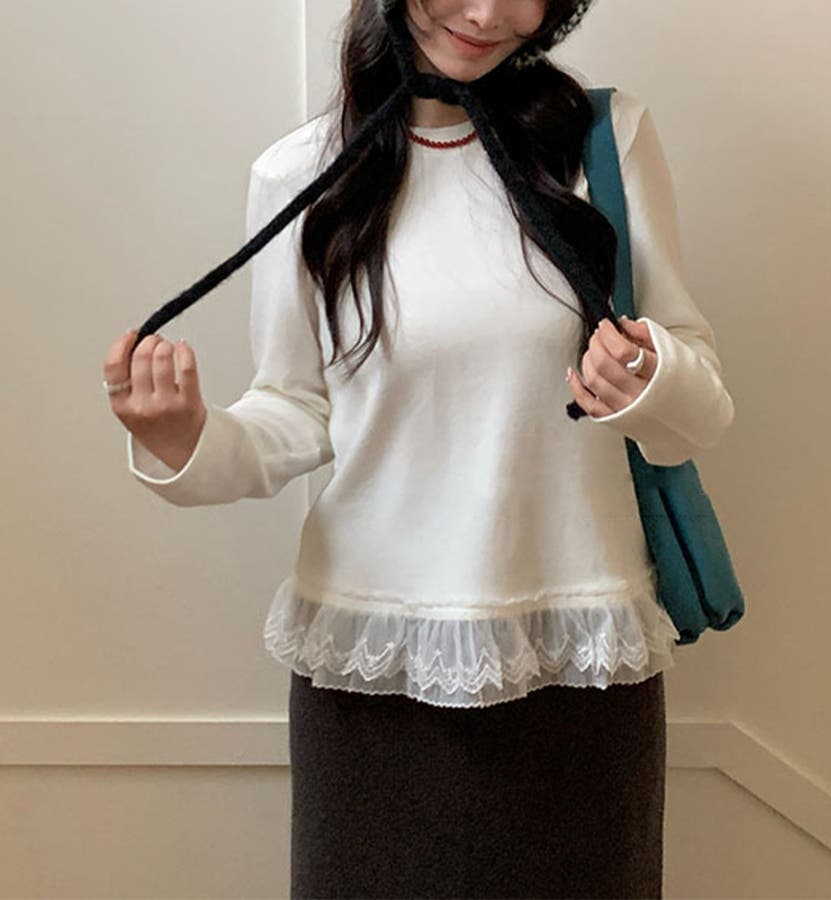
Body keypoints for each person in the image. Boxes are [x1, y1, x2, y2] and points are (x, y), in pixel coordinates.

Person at [103, 0, 735, 896]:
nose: (486, 12)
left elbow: (697, 406)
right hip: (374, 666)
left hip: (579, 659)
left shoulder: (604, 141)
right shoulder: (299, 172)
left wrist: (649, 380)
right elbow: (296, 408)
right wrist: (188, 440)